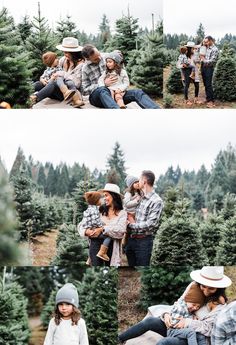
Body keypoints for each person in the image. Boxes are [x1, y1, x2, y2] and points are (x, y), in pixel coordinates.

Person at [118, 266, 232, 345]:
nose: (205, 291)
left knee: (165, 343)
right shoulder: (194, 286)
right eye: (203, 286)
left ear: (219, 287)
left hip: (194, 337)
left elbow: (209, 329)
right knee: (150, 321)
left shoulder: (219, 304)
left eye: (211, 288)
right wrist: (167, 314)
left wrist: (187, 322)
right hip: (175, 326)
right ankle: (119, 339)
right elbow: (180, 303)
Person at [81, 44, 160, 109]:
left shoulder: (108, 57)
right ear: (88, 59)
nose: (99, 58)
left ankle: (155, 110)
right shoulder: (85, 69)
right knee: (103, 89)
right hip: (98, 98)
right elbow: (84, 90)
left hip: (117, 94)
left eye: (99, 54)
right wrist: (103, 84)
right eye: (95, 59)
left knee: (137, 92)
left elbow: (122, 74)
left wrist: (121, 89)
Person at [79, 183, 127, 266]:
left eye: (106, 195)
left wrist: (102, 229)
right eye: (103, 196)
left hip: (112, 247)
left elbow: (121, 230)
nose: (104, 198)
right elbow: (81, 225)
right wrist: (88, 232)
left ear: (114, 196)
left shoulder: (122, 213)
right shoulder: (98, 210)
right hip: (95, 245)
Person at [32, 37, 85, 108]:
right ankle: (23, 95)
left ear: (73, 53)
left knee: (54, 82)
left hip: (70, 93)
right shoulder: (63, 60)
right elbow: (51, 69)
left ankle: (35, 99)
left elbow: (77, 83)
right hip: (56, 89)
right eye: (64, 52)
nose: (64, 54)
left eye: (66, 52)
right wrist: (43, 79)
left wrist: (62, 74)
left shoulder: (81, 65)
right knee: (38, 84)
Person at [125, 170, 163, 266]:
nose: (138, 181)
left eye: (140, 179)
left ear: (144, 181)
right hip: (131, 239)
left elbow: (151, 225)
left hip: (143, 242)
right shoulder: (139, 197)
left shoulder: (156, 201)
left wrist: (131, 225)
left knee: (142, 271)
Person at [81, 191, 113, 262]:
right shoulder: (95, 210)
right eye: (101, 198)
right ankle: (102, 252)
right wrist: (101, 227)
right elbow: (95, 221)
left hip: (94, 232)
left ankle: (90, 257)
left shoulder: (90, 209)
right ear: (96, 200)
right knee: (108, 236)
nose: (103, 199)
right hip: (94, 233)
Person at [122, 175, 142, 247]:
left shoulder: (138, 192)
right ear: (131, 185)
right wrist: (136, 201)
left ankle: (130, 241)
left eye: (138, 182)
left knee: (133, 228)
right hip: (129, 213)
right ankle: (124, 242)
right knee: (134, 227)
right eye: (135, 182)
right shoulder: (128, 193)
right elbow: (126, 204)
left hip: (135, 214)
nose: (137, 183)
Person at [201, 36, 219, 108]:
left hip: (209, 68)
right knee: (205, 84)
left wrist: (203, 60)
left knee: (208, 84)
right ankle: (208, 98)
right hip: (204, 67)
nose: (205, 43)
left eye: (206, 41)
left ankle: (211, 101)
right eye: (205, 42)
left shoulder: (215, 49)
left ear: (211, 40)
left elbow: (213, 61)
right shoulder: (207, 47)